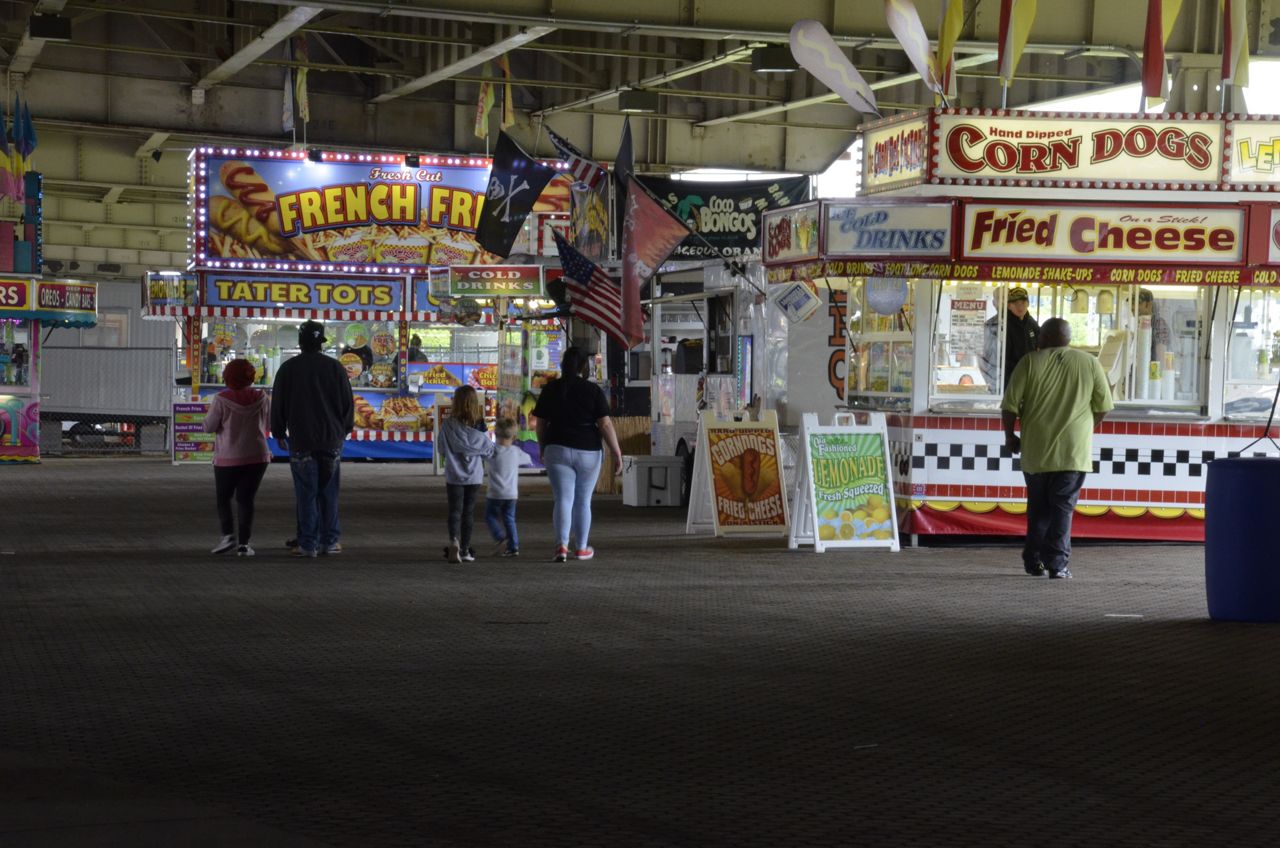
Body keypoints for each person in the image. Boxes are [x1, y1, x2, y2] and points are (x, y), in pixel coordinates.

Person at [1001, 317, 1114, 580]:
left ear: (1042, 338)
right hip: (1073, 452)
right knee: (1063, 508)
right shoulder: (1089, 363)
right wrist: (1085, 427)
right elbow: (1104, 407)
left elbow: (1009, 406)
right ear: (1068, 338)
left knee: (1038, 508)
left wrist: (1010, 436)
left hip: (1036, 451)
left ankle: (1034, 561)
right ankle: (1058, 564)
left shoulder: (1029, 362)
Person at [271, 320, 355, 558]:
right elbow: (347, 404)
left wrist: (278, 432)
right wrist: (344, 430)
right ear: (321, 343)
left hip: (301, 440)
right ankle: (330, 541)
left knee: (306, 493)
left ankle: (307, 544)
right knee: (328, 492)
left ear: (300, 343)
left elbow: (278, 403)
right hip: (331, 440)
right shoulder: (336, 368)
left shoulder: (288, 369)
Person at [532, 346, 624, 562]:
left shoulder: (551, 389)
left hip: (557, 448)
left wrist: (542, 446)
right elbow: (605, 424)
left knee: (563, 499)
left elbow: (541, 423)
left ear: (563, 365)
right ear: (584, 367)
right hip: (588, 451)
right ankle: (581, 548)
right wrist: (616, 452)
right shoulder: (592, 391)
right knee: (583, 501)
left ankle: (561, 547)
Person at [204, 358, 271, 557]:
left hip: (227, 456)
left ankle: (227, 536)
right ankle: (244, 544)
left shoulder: (220, 399)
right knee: (246, 500)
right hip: (258, 456)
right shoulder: (262, 397)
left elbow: (209, 427)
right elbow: (269, 425)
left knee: (224, 498)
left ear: (227, 377)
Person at [439, 385, 495, 563]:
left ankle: (453, 540)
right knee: (468, 512)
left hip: (454, 475)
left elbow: (441, 448)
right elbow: (488, 450)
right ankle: (464, 550)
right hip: (474, 476)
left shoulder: (448, 424)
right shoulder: (480, 426)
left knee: (455, 511)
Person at [484, 417, 533, 557]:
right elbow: (528, 459)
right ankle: (513, 546)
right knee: (509, 519)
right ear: (514, 436)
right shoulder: (516, 452)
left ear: (494, 433)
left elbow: (481, 455)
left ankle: (500, 537)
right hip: (511, 494)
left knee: (490, 516)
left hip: (494, 493)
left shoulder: (491, 451)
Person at [981, 286, 1040, 391]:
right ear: (1008, 305)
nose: (1020, 306)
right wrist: (993, 384)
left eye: (1023, 302)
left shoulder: (1032, 324)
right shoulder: (998, 325)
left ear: (1028, 303)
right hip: (1007, 382)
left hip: (1031, 380)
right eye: (1015, 303)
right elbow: (988, 359)